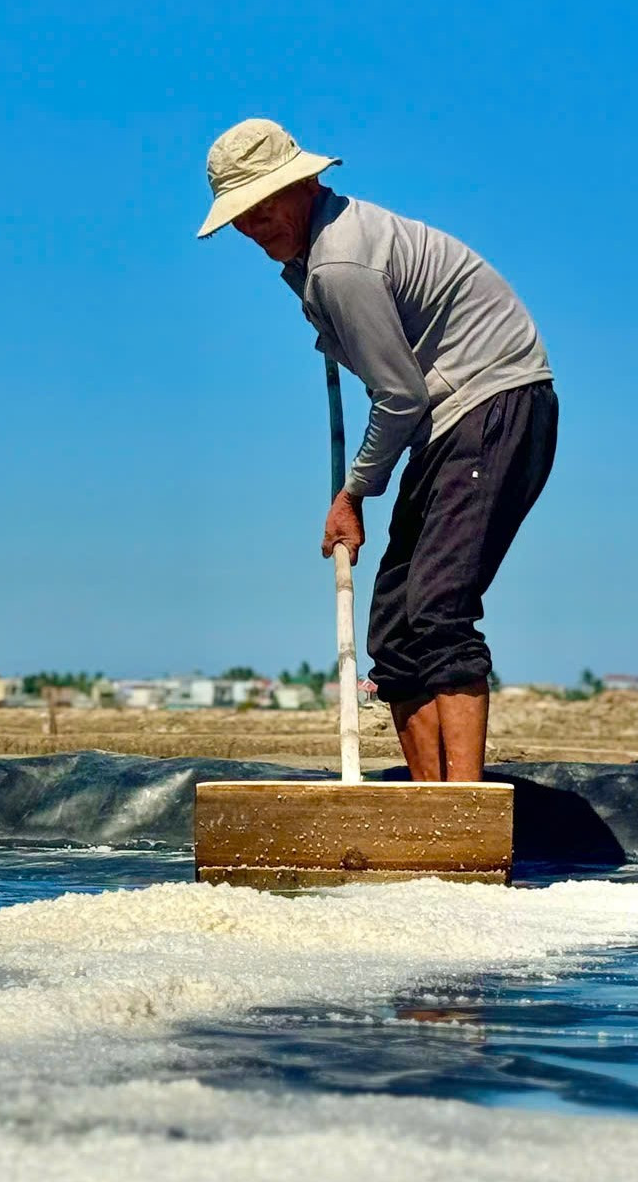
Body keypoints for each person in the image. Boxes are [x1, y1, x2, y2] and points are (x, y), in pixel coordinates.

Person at [197, 117, 555, 783]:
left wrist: (354, 492)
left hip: (494, 401)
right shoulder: (316, 266)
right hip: (447, 422)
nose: (251, 227)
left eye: (261, 206)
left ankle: (462, 809)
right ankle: (429, 806)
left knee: (439, 606)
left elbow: (399, 396)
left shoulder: (340, 266)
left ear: (303, 184)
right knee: (394, 630)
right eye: (240, 214)